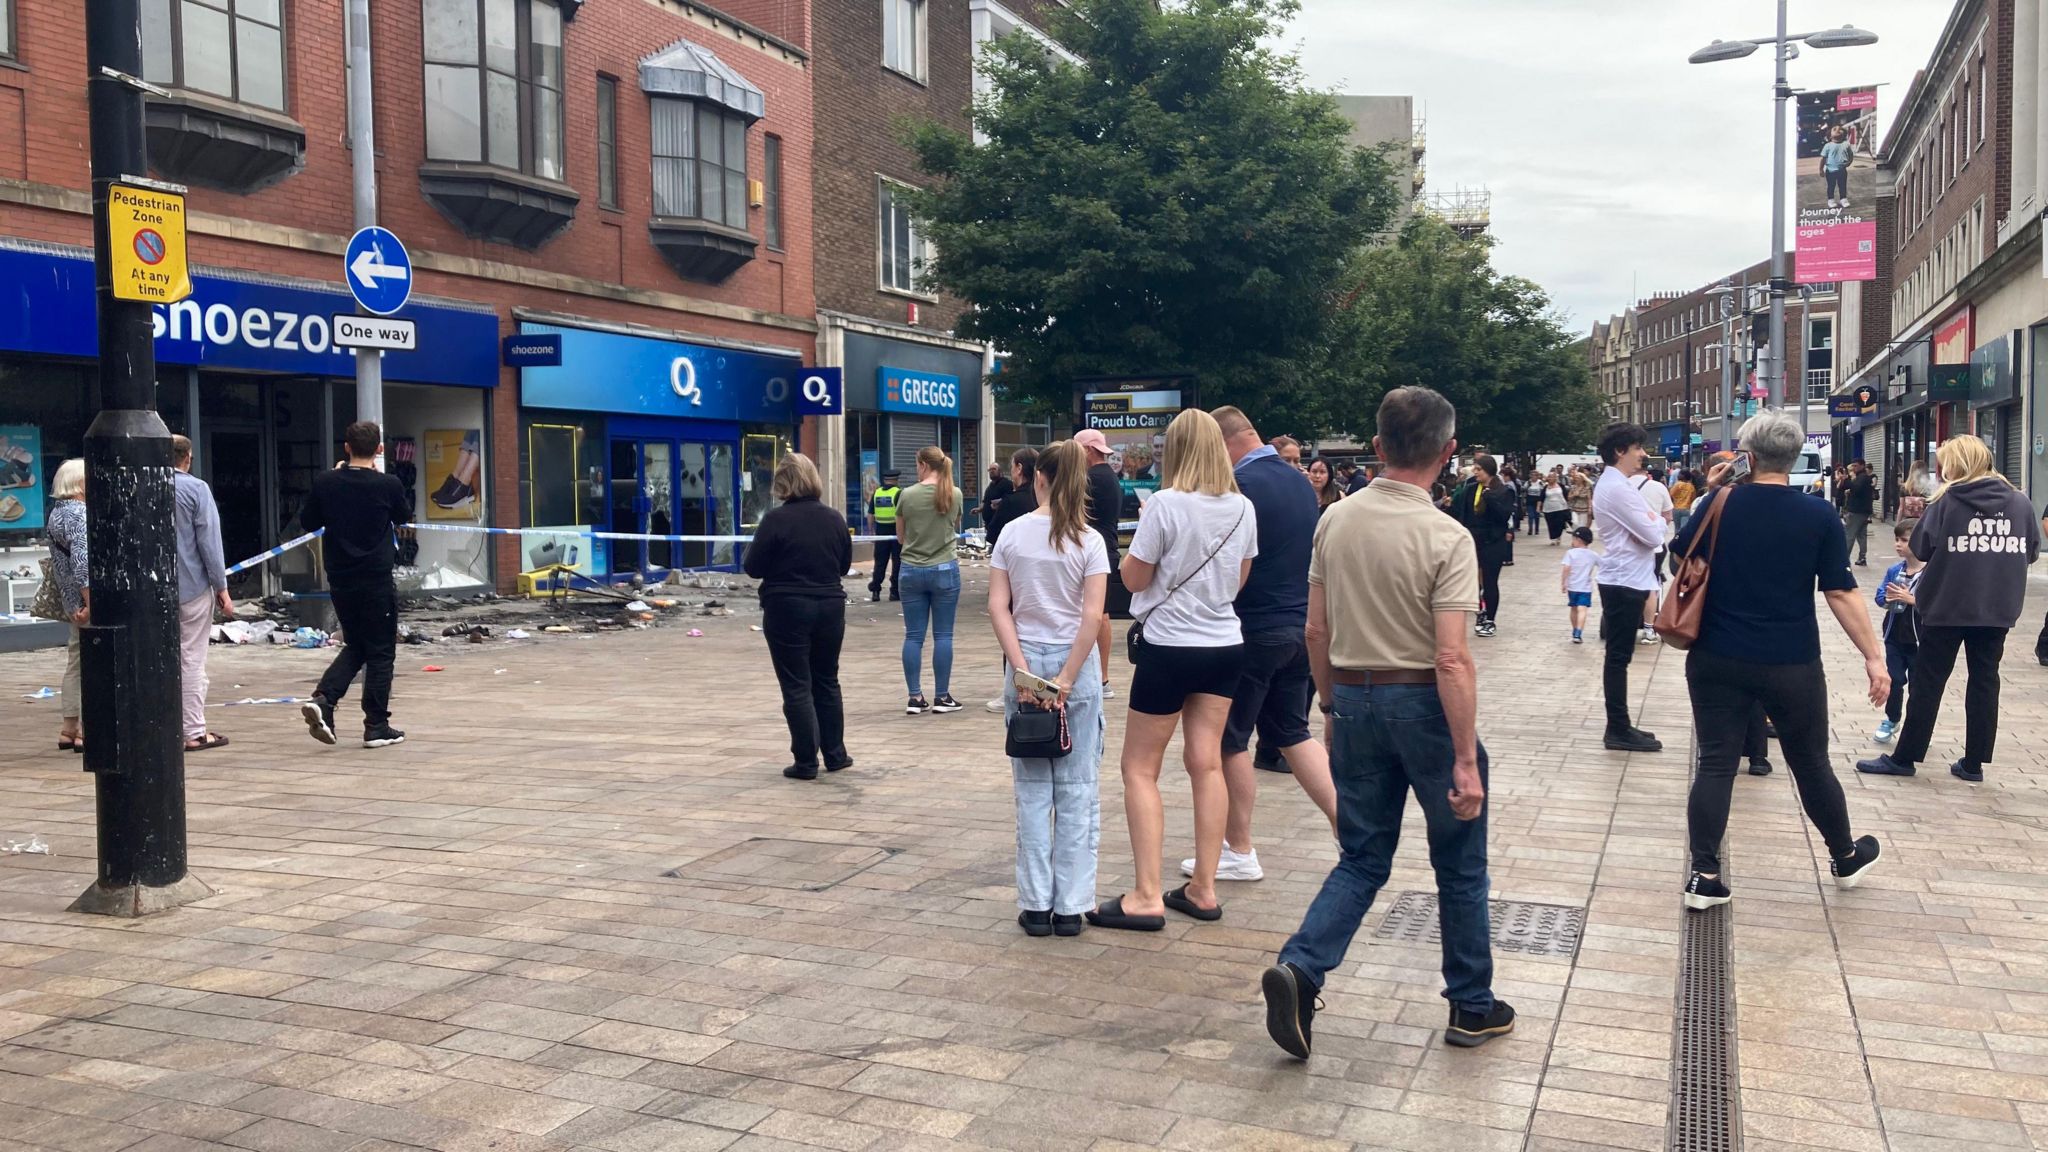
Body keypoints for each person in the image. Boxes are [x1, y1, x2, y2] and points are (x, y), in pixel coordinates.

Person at [1259, 386, 1512, 1058]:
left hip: (1355, 692)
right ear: (1449, 452)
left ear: (1377, 447)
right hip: (1424, 702)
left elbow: (1316, 628)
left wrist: (1331, 705)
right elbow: (1453, 656)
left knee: (1363, 855)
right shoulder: (1446, 535)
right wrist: (1464, 757)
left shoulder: (1335, 520)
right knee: (1459, 862)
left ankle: (1303, 966)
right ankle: (1471, 1004)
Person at [1671, 410, 1886, 910]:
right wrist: (1874, 658)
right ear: (1794, 457)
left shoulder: (1717, 504)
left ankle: (1704, 875)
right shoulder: (1817, 515)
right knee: (1810, 762)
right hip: (1790, 660)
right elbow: (1840, 592)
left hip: (1716, 655)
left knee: (1716, 762)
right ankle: (1845, 855)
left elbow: (1680, 558)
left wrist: (1710, 489)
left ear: (1747, 456)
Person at [1088, 409, 1257, 931]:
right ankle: (1203, 888)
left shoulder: (1163, 504)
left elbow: (1135, 579)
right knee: (1206, 763)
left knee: (1139, 768)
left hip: (1169, 647)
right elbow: (1239, 579)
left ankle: (1145, 895)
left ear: (1175, 451)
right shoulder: (1242, 507)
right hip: (1225, 645)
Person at [1195, 407, 1337, 886]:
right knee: (1293, 731)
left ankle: (1239, 850)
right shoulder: (1299, 480)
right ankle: (1350, 830)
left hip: (1253, 629)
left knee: (1228, 740)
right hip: (1298, 626)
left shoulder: (1240, 488)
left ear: (1226, 442)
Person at [1858, 436, 2042, 782]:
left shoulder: (1949, 502)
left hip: (1947, 606)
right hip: (1996, 607)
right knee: (1985, 681)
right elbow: (2031, 550)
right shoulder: (2019, 502)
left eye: (1946, 463)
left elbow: (1921, 547)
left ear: (1959, 465)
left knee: (1928, 682)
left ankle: (1906, 756)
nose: (1942, 470)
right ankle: (1974, 763)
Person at [989, 441, 1110, 937]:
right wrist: (1065, 679)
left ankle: (1035, 905)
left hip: (1025, 658)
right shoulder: (1091, 540)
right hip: (1074, 665)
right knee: (1078, 788)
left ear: (1037, 476)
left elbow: (1000, 607)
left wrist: (1022, 674)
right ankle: (1070, 907)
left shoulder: (1012, 535)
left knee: (1034, 790)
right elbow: (1093, 615)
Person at [299, 421, 413, 750]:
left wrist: (335, 480)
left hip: (341, 577)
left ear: (346, 447)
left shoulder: (326, 482)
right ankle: (376, 725)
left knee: (357, 644)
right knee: (380, 652)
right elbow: (403, 516)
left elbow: (309, 522)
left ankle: (324, 699)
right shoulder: (388, 484)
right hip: (375, 578)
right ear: (379, 449)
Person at [744, 453, 853, 781]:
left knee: (796, 684)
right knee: (827, 680)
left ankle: (805, 761)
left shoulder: (776, 521)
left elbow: (753, 567)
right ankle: (835, 754)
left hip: (786, 607)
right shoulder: (834, 518)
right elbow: (845, 566)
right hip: (830, 606)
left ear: (783, 483)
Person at [1590, 424, 1666, 753]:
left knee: (1620, 657)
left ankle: (1620, 725)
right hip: (1624, 580)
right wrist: (1657, 521)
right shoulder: (1617, 488)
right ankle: (1617, 728)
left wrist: (1652, 521)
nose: (1643, 454)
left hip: (1626, 578)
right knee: (1618, 658)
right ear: (1620, 451)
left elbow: (1650, 526)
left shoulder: (1615, 484)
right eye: (1637, 447)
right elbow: (1653, 535)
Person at [172, 436, 234, 752]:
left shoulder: (142, 487)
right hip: (191, 586)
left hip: (153, 591)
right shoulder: (196, 489)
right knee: (191, 658)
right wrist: (221, 588)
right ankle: (193, 730)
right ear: (188, 458)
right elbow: (209, 542)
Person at [895, 446, 964, 715]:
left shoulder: (907, 495)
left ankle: (914, 697)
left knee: (913, 636)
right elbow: (955, 526)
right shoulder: (954, 493)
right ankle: (943, 696)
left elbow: (900, 536)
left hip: (911, 569)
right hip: (945, 568)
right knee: (943, 635)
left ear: (923, 465)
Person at [1076, 428, 1125, 696]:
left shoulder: (1092, 479)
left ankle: (1102, 678)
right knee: (1099, 612)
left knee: (1099, 614)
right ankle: (1100, 676)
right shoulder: (1108, 475)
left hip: (1098, 553)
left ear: (1088, 450)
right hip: (1107, 550)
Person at [46, 459, 89, 753]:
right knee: (94, 662)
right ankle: (87, 730)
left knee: (75, 661)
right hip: (85, 600)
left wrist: (74, 601)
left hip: (69, 599)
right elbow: (82, 561)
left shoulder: (55, 515)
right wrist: (90, 601)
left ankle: (69, 728)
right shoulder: (80, 514)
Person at [1871, 519, 1923, 746]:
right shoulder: (1895, 570)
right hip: (1895, 636)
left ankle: (1917, 726)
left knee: (1919, 684)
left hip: (1921, 639)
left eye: (1904, 540)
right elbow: (1880, 594)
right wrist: (1887, 599)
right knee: (1894, 679)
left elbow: (1939, 603)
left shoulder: (1931, 571)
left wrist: (1912, 600)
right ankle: (1891, 719)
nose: (1898, 545)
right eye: (1897, 539)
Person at [1635, 466, 1674, 645]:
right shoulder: (1658, 487)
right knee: (1651, 584)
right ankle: (1649, 628)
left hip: (1624, 547)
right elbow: (1667, 515)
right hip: (1653, 546)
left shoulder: (1617, 486)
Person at [984, 449, 1039, 547]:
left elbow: (992, 535)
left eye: (1012, 466)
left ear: (1019, 468)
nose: (1011, 470)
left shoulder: (1010, 502)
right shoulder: (1042, 499)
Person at [866, 469, 904, 603]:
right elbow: (902, 514)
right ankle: (894, 592)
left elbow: (870, 514)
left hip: (881, 532)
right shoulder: (899, 493)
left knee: (880, 563)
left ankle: (875, 591)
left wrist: (871, 532)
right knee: (897, 562)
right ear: (896, 480)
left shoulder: (877, 493)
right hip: (896, 532)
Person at [1560, 526, 1597, 643]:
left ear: (1578, 540)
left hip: (1572, 586)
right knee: (1583, 609)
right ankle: (1578, 633)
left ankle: (1574, 629)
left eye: (1573, 539)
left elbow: (1566, 568)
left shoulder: (1570, 553)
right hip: (1585, 588)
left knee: (1574, 608)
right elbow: (1603, 565)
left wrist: (1564, 582)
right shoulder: (1593, 554)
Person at [1841, 460, 1876, 566]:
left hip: (1857, 511)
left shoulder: (1863, 478)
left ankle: (1844, 559)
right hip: (1862, 511)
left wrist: (1846, 479)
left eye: (1856, 466)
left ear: (1862, 466)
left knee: (1849, 535)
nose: (1854, 468)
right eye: (1853, 466)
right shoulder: (1861, 477)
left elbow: (1856, 489)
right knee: (1861, 535)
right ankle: (1862, 557)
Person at [1821, 125, 1855, 208]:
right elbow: (1823, 158)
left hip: (1842, 170)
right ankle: (1831, 200)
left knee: (1842, 185)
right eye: (1834, 129)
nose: (1838, 130)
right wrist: (1821, 169)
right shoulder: (1828, 146)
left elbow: (1851, 154)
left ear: (1844, 134)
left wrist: (1850, 162)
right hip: (1830, 170)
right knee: (1831, 186)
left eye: (1840, 129)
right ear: (1830, 135)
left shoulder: (1846, 144)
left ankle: (1843, 199)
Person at [979, 461, 1012, 530]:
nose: (991, 471)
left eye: (994, 469)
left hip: (1000, 525)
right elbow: (985, 501)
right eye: (990, 470)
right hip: (989, 524)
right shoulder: (990, 486)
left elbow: (1010, 500)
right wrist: (980, 509)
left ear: (1000, 471)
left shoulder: (1006, 484)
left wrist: (1000, 502)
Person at [1670, 469, 1697, 533]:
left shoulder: (1677, 485)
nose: (1678, 475)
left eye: (1680, 473)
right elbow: (1693, 498)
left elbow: (1671, 494)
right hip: (1686, 509)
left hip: (1676, 508)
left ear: (1684, 476)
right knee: (1683, 529)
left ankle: (1676, 541)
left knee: (1677, 528)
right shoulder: (1691, 486)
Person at [1567, 468, 1593, 532]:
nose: (1577, 479)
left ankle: (1580, 537)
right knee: (1575, 522)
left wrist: (1590, 508)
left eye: (1578, 477)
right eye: (1576, 477)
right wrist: (1574, 495)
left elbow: (1589, 499)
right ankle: (1575, 534)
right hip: (1575, 508)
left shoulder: (1587, 488)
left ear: (1582, 479)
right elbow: (1568, 497)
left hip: (1584, 509)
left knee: (1582, 525)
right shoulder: (1573, 487)